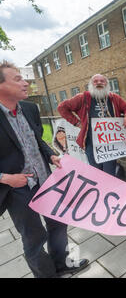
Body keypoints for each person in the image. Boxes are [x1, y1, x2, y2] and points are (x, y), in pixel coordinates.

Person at [0, 61, 88, 277]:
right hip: (17, 189)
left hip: (46, 181)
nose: (26, 82)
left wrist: (50, 154)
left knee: (59, 223)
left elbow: (37, 139)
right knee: (34, 238)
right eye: (18, 79)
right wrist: (5, 178)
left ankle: (62, 264)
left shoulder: (30, 108)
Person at [58, 74, 126, 176]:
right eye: (95, 81)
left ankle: (110, 190)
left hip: (110, 145)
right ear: (91, 84)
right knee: (97, 173)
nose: (99, 83)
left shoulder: (114, 98)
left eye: (102, 81)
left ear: (106, 84)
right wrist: (76, 122)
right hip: (91, 144)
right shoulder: (82, 98)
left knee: (109, 174)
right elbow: (62, 108)